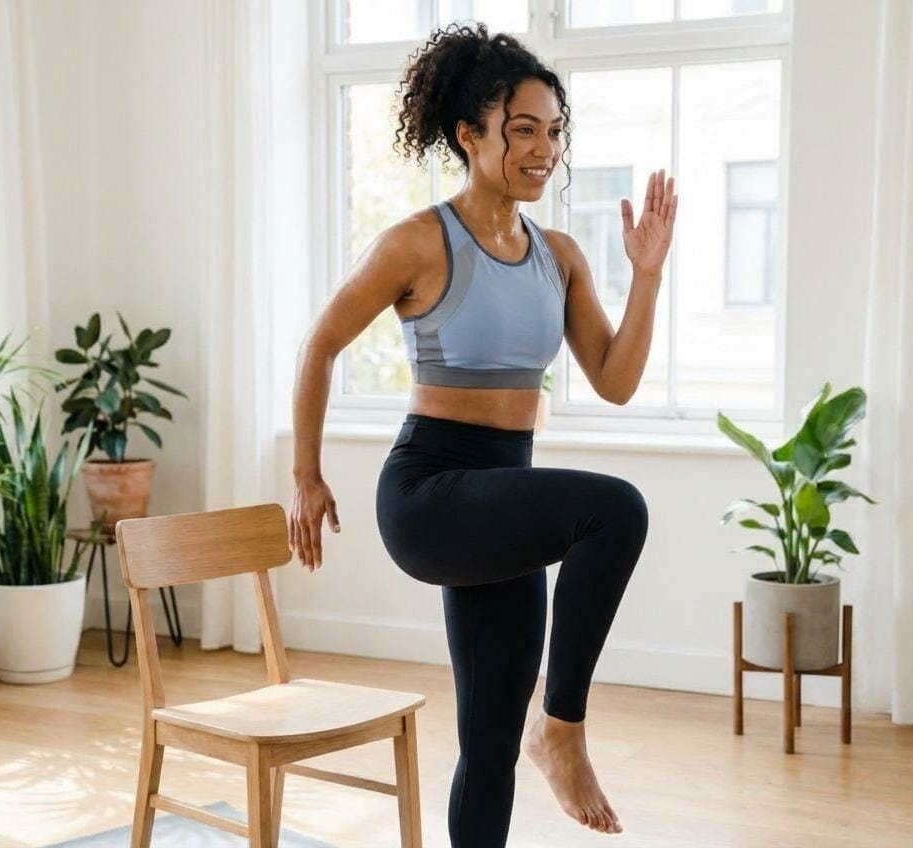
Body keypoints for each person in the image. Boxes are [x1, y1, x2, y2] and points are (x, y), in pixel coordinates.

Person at [289, 22, 677, 846]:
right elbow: (318, 345)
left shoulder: (558, 256)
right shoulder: (418, 243)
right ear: (470, 135)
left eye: (554, 131)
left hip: (500, 493)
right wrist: (306, 476)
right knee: (616, 511)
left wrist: (646, 277)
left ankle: (539, 738)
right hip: (429, 493)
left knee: (489, 743)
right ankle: (563, 729)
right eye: (524, 129)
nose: (544, 149)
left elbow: (615, 381)